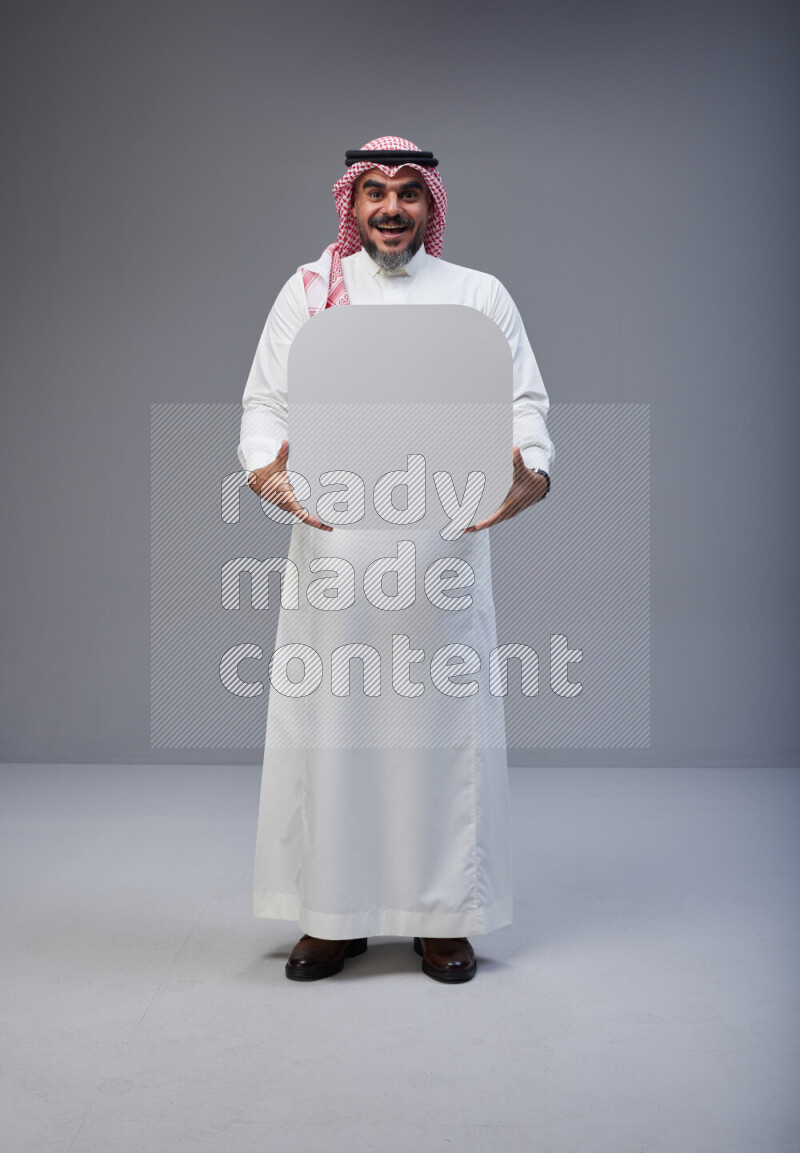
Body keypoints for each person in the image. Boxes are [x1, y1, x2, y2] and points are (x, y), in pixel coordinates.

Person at [237, 136, 554, 983]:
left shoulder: (478, 296)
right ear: (351, 201)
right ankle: (332, 917)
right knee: (334, 731)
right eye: (374, 191)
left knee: (439, 734)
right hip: (337, 552)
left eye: (408, 193)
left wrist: (532, 467)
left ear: (431, 206)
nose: (390, 207)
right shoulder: (310, 292)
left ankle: (442, 917)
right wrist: (268, 472)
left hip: (440, 548)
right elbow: (266, 401)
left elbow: (522, 402)